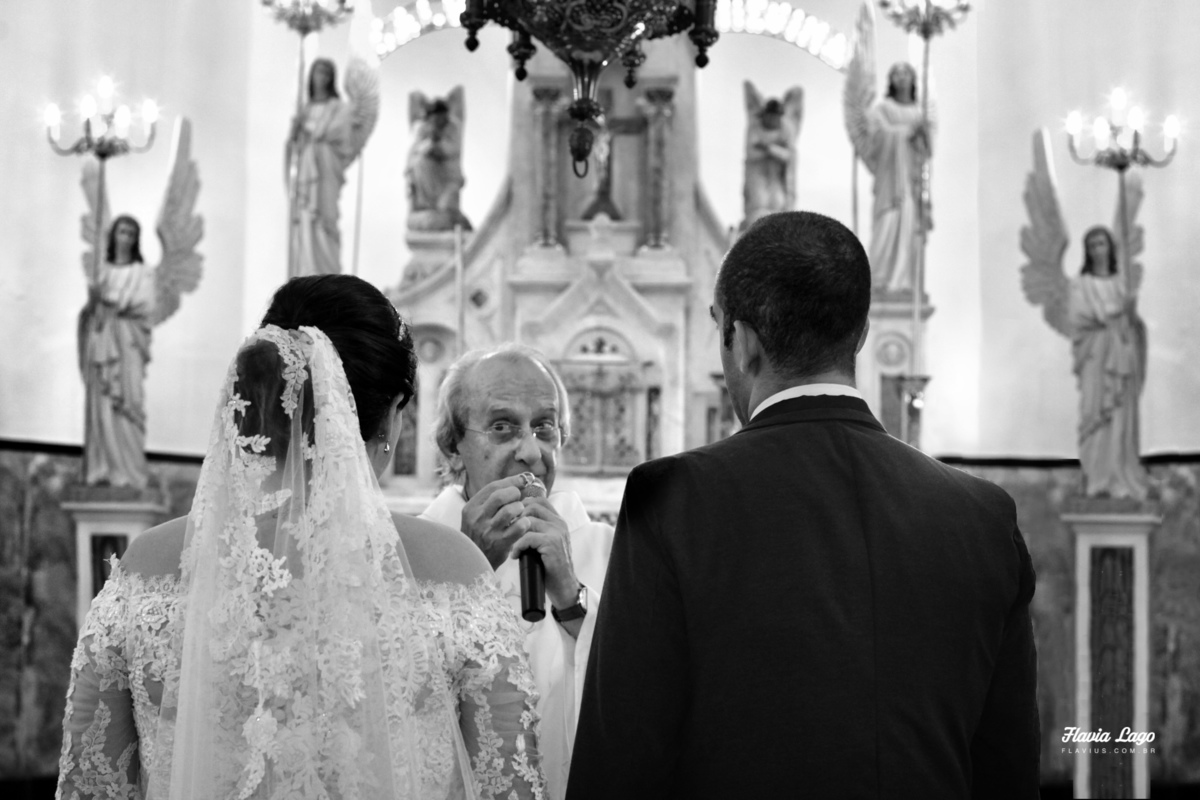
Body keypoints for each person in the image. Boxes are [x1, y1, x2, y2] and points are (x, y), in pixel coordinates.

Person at [567, 211, 1040, 798]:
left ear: (742, 342)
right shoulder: (983, 516)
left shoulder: (672, 502)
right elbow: (1009, 771)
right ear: (861, 334)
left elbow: (622, 765)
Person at [57, 275, 546, 799]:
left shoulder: (142, 571)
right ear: (391, 414)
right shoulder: (455, 569)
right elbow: (508, 787)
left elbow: (92, 787)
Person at [421, 344, 614, 800]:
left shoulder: (608, 549)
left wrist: (572, 601)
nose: (531, 451)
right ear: (453, 446)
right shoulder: (414, 551)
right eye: (503, 427)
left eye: (545, 427)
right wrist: (471, 563)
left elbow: (644, 706)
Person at [844, 4, 934, 293]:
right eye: (896, 74)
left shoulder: (919, 113)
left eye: (906, 73)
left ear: (913, 80)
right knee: (886, 229)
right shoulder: (882, 108)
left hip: (909, 184)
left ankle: (903, 283)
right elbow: (876, 136)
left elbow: (926, 153)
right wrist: (907, 133)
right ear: (890, 81)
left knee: (908, 233)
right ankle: (881, 281)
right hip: (888, 184)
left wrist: (921, 136)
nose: (901, 77)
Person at [1069, 225, 1148, 498]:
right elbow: (1079, 317)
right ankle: (1097, 478)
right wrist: (1115, 311)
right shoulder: (1081, 285)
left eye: (1102, 243)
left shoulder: (1120, 285)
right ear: (1087, 251)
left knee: (1119, 418)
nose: (1097, 249)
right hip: (1095, 358)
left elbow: (1133, 328)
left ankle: (1119, 477)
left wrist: (1132, 319)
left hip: (1120, 360)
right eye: (1092, 245)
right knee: (1095, 415)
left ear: (1111, 248)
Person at [78, 214, 155, 488]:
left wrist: (109, 300)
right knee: (102, 405)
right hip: (103, 345)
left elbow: (145, 305)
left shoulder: (142, 273)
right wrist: (92, 306)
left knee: (128, 404)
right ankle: (102, 468)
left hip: (127, 345)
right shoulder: (103, 273)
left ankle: (130, 473)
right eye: (121, 232)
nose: (126, 237)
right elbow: (90, 315)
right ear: (113, 236)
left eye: (131, 233)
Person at [287, 57, 379, 277]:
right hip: (306, 171)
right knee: (306, 219)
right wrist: (296, 131)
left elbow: (341, 134)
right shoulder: (305, 108)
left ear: (332, 79)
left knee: (325, 219)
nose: (322, 78)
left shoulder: (338, 108)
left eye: (326, 73)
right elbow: (294, 144)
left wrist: (310, 131)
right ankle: (305, 270)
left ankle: (326, 273)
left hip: (327, 169)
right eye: (318, 73)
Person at [406, 88, 472, 232]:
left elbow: (451, 149)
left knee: (445, 208)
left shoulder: (452, 128)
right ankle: (425, 205)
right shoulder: (423, 129)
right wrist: (430, 142)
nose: (437, 121)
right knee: (419, 163)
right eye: (434, 118)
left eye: (440, 118)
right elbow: (416, 151)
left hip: (449, 180)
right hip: (427, 179)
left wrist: (437, 144)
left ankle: (445, 214)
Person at [742, 82, 804, 230]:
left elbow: (789, 155)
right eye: (770, 117)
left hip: (777, 175)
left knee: (778, 201)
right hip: (758, 172)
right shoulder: (755, 127)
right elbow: (751, 151)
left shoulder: (786, 129)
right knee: (759, 201)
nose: (773, 120)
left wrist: (769, 149)